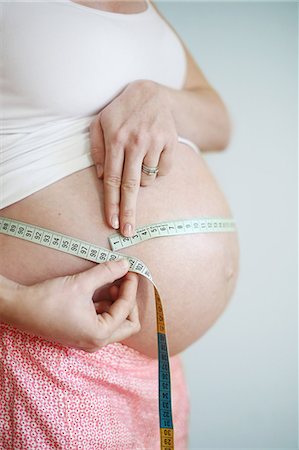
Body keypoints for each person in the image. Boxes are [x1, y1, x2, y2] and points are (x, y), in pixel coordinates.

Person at [0, 1, 240, 448]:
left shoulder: (148, 8)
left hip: (155, 369)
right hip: (47, 347)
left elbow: (218, 122)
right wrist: (14, 303)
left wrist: (160, 98)